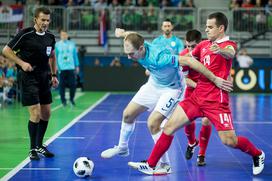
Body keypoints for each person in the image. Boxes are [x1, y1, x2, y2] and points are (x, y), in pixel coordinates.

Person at [128, 12, 265, 176]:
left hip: (216, 101)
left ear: (221, 28)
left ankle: (257, 154)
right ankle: (151, 165)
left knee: (229, 141)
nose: (206, 30)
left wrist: (221, 51)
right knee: (169, 127)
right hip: (197, 97)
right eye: (206, 26)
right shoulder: (203, 45)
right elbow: (184, 58)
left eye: (210, 27)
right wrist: (158, 66)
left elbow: (230, 53)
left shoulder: (229, 44)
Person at [101, 28, 232, 173]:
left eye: (131, 54)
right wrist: (123, 33)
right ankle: (122, 147)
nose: (129, 57)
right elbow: (132, 36)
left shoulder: (160, 58)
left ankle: (165, 165)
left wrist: (214, 79)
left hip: (172, 88)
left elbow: (188, 60)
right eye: (127, 53)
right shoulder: (137, 43)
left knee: (153, 123)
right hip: (154, 83)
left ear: (141, 48)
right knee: (127, 114)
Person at [2, 6, 58, 160]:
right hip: (28, 77)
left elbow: (52, 56)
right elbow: (6, 50)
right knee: (35, 112)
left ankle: (40, 145)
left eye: (48, 20)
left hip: (44, 77)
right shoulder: (25, 34)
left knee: (46, 114)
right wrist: (21, 63)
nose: (45, 22)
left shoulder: (51, 37)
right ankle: (32, 149)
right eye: (42, 20)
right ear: (35, 19)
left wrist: (53, 74)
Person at [180, 29, 212, 166]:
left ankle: (201, 154)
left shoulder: (208, 53)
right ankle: (192, 142)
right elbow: (186, 79)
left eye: (193, 46)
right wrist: (199, 87)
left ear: (201, 44)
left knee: (206, 121)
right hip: (192, 90)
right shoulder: (183, 56)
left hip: (208, 92)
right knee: (186, 121)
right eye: (188, 46)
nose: (190, 49)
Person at [55, 30, 79, 106]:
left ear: (67, 35)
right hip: (61, 68)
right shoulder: (57, 45)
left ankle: (71, 99)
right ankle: (63, 101)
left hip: (71, 67)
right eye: (62, 35)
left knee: (73, 85)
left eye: (65, 35)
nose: (64, 36)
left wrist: (77, 66)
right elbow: (55, 56)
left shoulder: (72, 44)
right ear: (60, 36)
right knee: (61, 85)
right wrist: (56, 66)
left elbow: (75, 56)